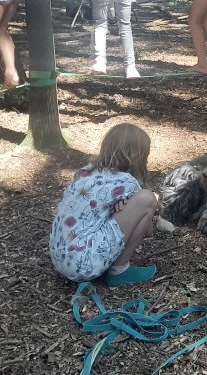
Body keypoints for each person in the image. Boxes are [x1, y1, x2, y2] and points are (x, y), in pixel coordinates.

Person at [50, 123, 158, 287]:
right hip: (83, 264)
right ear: (137, 157)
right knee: (147, 198)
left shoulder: (85, 171)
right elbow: (149, 231)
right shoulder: (126, 182)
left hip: (60, 259)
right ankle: (120, 271)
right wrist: (147, 204)